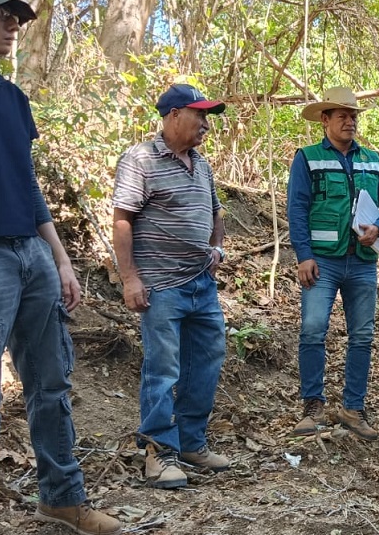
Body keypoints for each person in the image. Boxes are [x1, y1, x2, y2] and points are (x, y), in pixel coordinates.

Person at [0, 0, 122, 535]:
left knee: (51, 383)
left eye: (16, 15)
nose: (13, 23)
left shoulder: (11, 98)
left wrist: (60, 259)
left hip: (31, 254)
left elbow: (27, 183)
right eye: (0, 13)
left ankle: (62, 499)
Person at [112, 83, 231, 489]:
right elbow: (123, 220)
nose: (206, 124)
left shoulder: (202, 165)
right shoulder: (141, 159)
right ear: (175, 114)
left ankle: (192, 442)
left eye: (208, 116)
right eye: (200, 115)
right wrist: (130, 277)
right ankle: (158, 452)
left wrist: (217, 248)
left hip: (201, 283)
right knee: (163, 368)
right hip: (161, 285)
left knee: (208, 360)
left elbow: (216, 213)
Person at [287, 86, 379, 441]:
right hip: (321, 261)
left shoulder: (372, 160)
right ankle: (313, 406)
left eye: (353, 116)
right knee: (313, 329)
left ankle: (353, 408)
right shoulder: (307, 158)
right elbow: (297, 209)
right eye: (342, 116)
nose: (350, 122)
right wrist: (304, 255)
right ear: (325, 120)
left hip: (363, 261)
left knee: (362, 336)